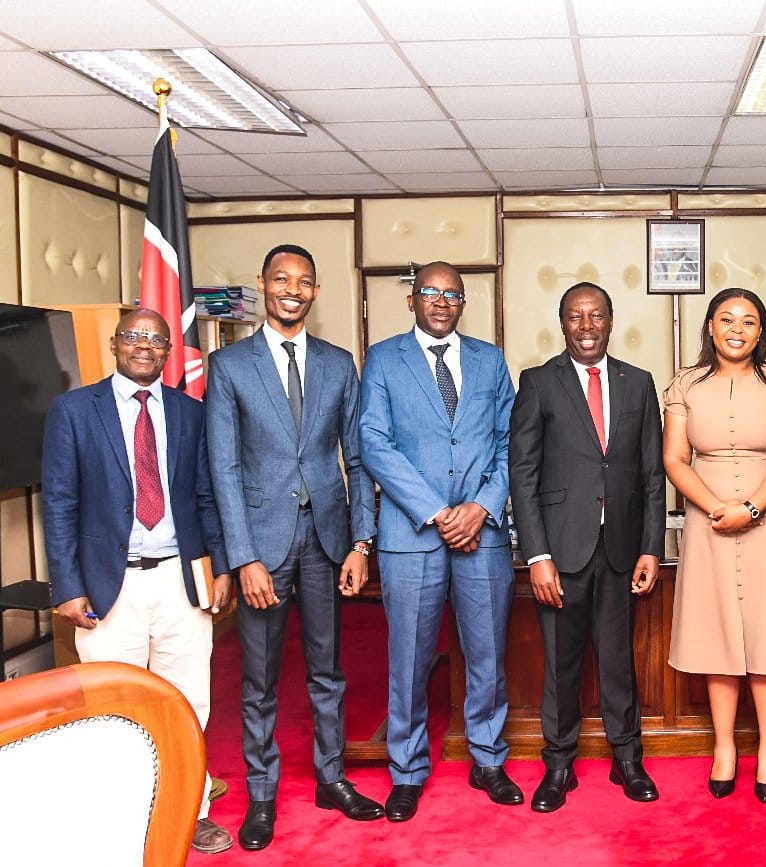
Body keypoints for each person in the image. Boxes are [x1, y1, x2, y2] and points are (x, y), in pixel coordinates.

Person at [206, 244, 382, 850]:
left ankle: (331, 779)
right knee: (258, 679)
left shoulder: (338, 364)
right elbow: (223, 468)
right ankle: (261, 795)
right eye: (281, 279)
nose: (292, 289)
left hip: (327, 539)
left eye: (303, 281)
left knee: (328, 672)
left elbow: (357, 461)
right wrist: (244, 556)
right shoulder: (229, 367)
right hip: (263, 543)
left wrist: (362, 541)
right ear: (262, 285)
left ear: (315, 290)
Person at [43, 308, 235, 854]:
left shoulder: (190, 412)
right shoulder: (74, 411)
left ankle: (190, 810)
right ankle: (124, 815)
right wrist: (67, 586)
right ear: (114, 344)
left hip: (180, 581)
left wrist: (219, 567)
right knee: (113, 709)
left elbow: (205, 496)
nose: (144, 346)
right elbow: (58, 503)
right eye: (134, 336)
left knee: (188, 703)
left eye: (156, 338)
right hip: (109, 586)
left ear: (170, 349)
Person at [359, 260, 520, 822]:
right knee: (408, 659)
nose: (441, 301)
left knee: (488, 655)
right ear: (412, 301)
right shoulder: (382, 359)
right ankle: (406, 770)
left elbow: (510, 444)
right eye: (429, 292)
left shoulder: (490, 360)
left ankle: (489, 758)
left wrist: (480, 507)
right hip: (411, 536)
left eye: (452, 294)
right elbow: (375, 444)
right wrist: (435, 511)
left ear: (463, 302)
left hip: (483, 533)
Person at [510, 282, 666, 812]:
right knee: (560, 661)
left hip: (621, 548)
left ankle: (628, 760)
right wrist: (536, 555)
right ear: (563, 324)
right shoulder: (537, 383)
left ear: (609, 321)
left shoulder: (638, 383)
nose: (586, 325)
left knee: (620, 658)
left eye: (595, 316)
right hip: (560, 551)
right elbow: (522, 474)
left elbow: (650, 473)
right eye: (575, 317)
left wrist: (650, 547)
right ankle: (557, 765)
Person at [663, 288, 766, 803]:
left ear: (761, 331)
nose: (737, 329)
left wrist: (750, 508)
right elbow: (675, 459)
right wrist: (715, 508)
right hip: (706, 521)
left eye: (748, 321)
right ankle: (724, 747)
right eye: (726, 319)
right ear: (710, 327)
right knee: (718, 639)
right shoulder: (685, 384)